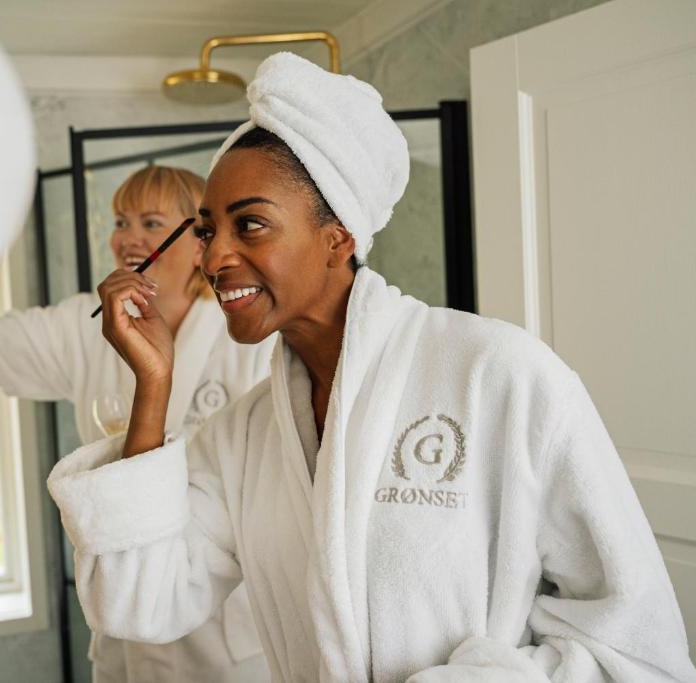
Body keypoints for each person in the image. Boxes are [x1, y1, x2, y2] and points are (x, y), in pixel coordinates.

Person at [48, 53, 696, 682]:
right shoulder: (245, 436)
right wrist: (152, 385)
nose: (213, 256)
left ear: (339, 235)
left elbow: (636, 646)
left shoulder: (498, 375)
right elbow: (140, 601)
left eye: (250, 225)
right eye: (209, 228)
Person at [0, 166, 274, 682]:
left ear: (201, 242)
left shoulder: (250, 339)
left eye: (151, 223)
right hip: (126, 621)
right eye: (120, 221)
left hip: (221, 632)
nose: (128, 238)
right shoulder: (88, 329)